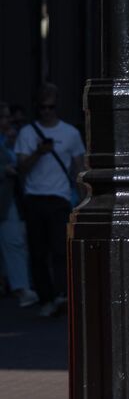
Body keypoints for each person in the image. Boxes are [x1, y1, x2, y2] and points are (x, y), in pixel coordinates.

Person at [15, 84, 86, 317]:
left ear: (57, 106)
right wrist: (39, 152)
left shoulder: (70, 133)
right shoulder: (27, 133)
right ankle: (46, 297)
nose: (47, 111)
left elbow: (78, 167)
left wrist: (84, 198)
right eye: (43, 107)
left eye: (51, 107)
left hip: (60, 197)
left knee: (59, 248)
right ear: (38, 107)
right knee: (38, 251)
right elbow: (22, 167)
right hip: (34, 197)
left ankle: (61, 294)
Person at [0, 102, 36, 307]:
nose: (8, 121)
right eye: (4, 117)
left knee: (14, 241)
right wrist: (4, 170)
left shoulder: (10, 139)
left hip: (9, 198)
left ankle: (20, 287)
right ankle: (19, 287)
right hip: (6, 197)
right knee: (13, 242)